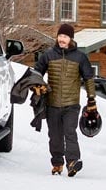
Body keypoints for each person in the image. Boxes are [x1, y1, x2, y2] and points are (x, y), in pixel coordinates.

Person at [34, 23, 96, 177]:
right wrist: (37, 86)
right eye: (60, 36)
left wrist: (91, 100)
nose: (62, 39)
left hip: (71, 104)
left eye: (65, 37)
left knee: (70, 132)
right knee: (54, 136)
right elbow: (36, 73)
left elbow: (89, 78)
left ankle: (73, 162)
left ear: (71, 39)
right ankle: (57, 163)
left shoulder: (80, 57)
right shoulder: (48, 55)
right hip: (52, 103)